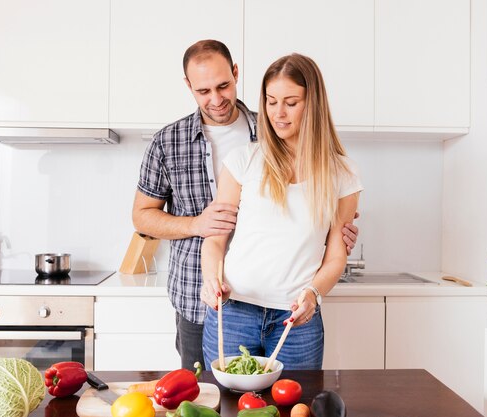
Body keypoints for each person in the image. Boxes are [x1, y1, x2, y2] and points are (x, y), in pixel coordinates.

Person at [132, 40, 359, 370]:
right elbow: (143, 217)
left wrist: (334, 230)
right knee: (209, 401)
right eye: (203, 90)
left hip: (290, 311)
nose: (216, 98)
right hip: (211, 299)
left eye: (223, 86)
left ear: (236, 74)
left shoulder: (268, 133)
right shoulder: (171, 142)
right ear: (189, 87)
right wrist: (197, 225)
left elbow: (328, 240)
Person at [200, 53, 363, 370]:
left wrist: (313, 295)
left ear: (312, 104)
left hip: (296, 319)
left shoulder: (343, 174)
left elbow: (336, 256)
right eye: (271, 101)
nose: (278, 113)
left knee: (294, 408)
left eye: (291, 102)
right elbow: (216, 239)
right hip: (234, 310)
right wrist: (210, 280)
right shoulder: (242, 160)